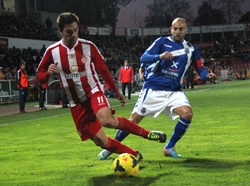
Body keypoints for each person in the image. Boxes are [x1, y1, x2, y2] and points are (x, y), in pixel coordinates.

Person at [37, 12, 166, 160]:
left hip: (93, 92)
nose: (74, 34)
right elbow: (40, 78)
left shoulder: (88, 46)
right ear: (60, 31)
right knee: (100, 141)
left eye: (76, 30)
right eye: (69, 31)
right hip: (76, 103)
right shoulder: (52, 52)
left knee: (107, 120)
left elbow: (103, 69)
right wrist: (47, 73)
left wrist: (116, 90)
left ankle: (147, 134)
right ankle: (134, 154)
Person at [98, 18, 216, 159]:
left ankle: (169, 147)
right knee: (133, 120)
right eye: (175, 28)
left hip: (174, 91)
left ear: (186, 30)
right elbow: (144, 57)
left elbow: (200, 68)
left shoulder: (191, 49)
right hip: (153, 89)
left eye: (180, 29)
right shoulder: (162, 42)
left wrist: (207, 76)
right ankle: (112, 147)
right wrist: (159, 56)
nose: (177, 31)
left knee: (187, 114)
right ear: (171, 29)